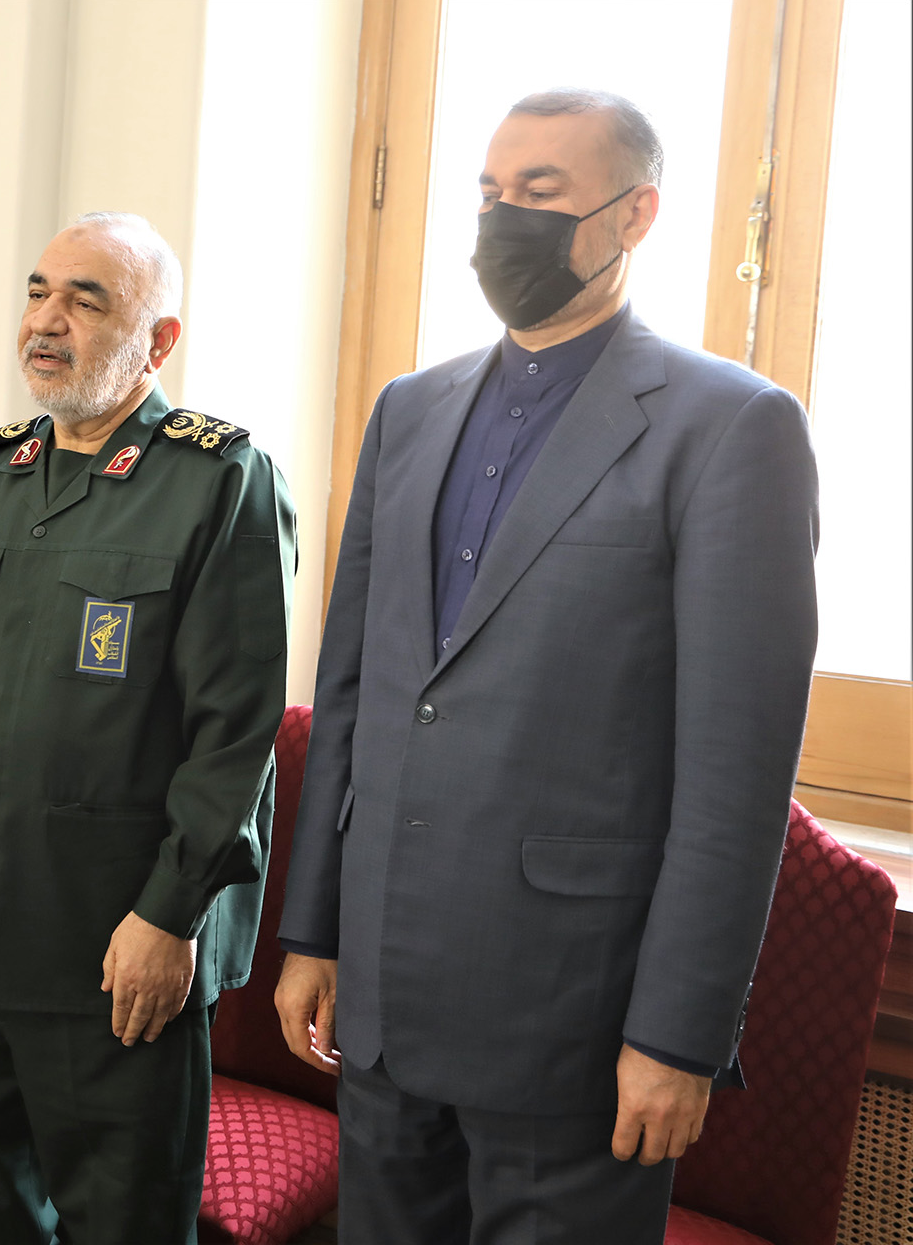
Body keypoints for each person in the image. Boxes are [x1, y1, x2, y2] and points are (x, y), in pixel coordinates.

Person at [275, 89, 819, 1244]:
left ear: (632, 216)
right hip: (380, 999)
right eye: (488, 193)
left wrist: (675, 1037)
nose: (502, 219)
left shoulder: (729, 428)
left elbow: (732, 779)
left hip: (572, 1024)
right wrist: (311, 931)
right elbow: (353, 693)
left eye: (538, 193)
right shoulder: (406, 410)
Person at [0, 212, 296, 1243]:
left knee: (124, 1227)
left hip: (116, 948)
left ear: (158, 340)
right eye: (38, 293)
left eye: (85, 300)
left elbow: (235, 735)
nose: (45, 319)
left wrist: (170, 916)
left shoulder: (217, 479)